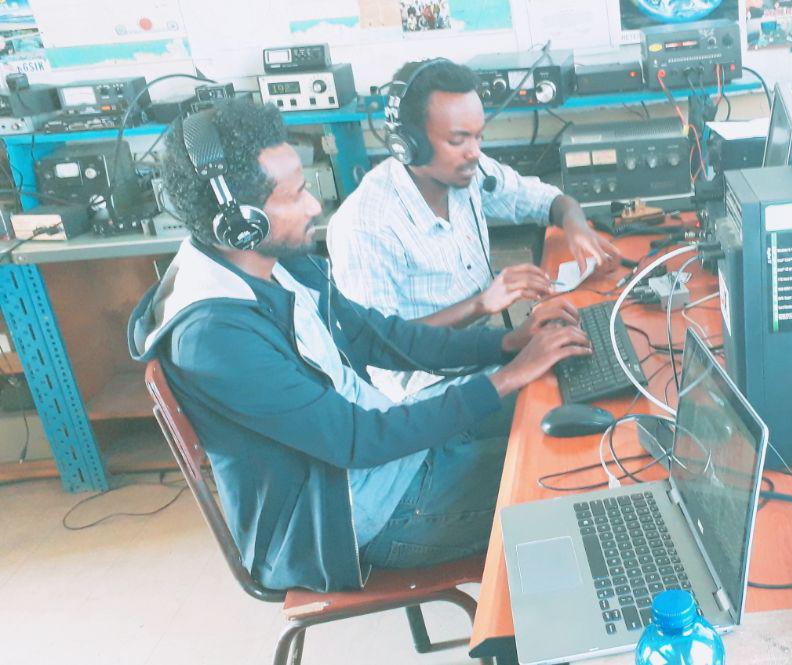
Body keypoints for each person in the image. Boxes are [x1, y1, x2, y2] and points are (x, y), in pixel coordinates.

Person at [127, 98, 591, 592]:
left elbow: (378, 337)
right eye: (295, 195)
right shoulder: (216, 338)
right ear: (241, 223)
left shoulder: (274, 262)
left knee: (556, 398)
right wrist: (508, 376)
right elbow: (357, 441)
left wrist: (507, 343)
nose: (313, 207)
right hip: (356, 515)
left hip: (390, 447)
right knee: (573, 475)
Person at [326, 58, 620, 399]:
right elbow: (382, 344)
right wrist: (482, 304)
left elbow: (548, 200)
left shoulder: (468, 172)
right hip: (426, 391)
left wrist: (575, 224)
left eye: (479, 137)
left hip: (483, 348)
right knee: (563, 402)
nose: (475, 153)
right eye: (458, 140)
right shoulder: (365, 226)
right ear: (408, 143)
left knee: (586, 358)